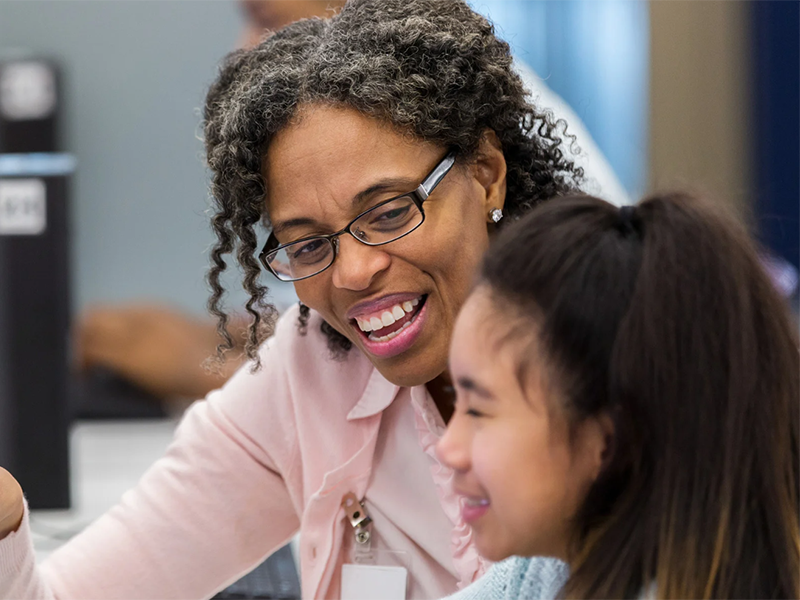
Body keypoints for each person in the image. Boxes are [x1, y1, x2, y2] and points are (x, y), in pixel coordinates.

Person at [0, 2, 591, 598]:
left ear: (488, 174)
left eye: (388, 212)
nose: (352, 272)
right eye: (308, 244)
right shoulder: (309, 373)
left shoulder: (605, 360)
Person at [78, 0, 631, 404]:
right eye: (307, 243)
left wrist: (194, 365)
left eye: (266, 20)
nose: (244, 46)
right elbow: (334, 326)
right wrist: (211, 341)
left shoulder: (468, 124)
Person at [437, 193, 800, 599]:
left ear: (609, 442)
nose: (448, 448)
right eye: (457, 401)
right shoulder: (548, 569)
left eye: (480, 410)